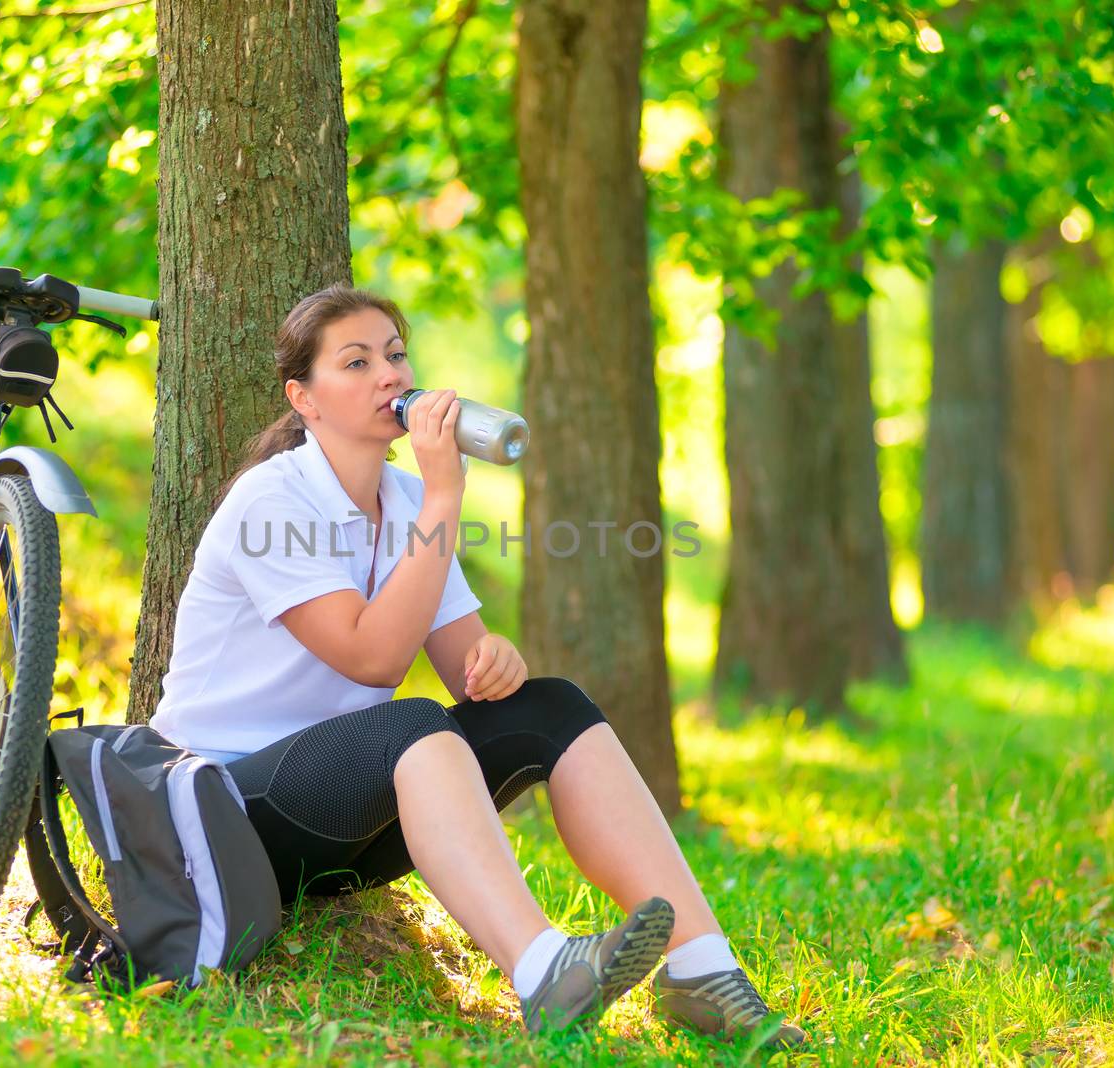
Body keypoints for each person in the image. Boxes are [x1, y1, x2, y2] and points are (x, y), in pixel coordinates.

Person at [148, 284, 805, 1045]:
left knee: (550, 707)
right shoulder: (273, 503)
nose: (390, 376)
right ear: (305, 398)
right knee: (409, 723)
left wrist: (499, 660)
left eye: (395, 355)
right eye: (356, 362)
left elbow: (469, 665)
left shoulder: (404, 498)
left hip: (341, 808)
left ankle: (703, 972)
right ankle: (544, 970)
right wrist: (446, 492)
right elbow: (372, 658)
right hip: (222, 809)